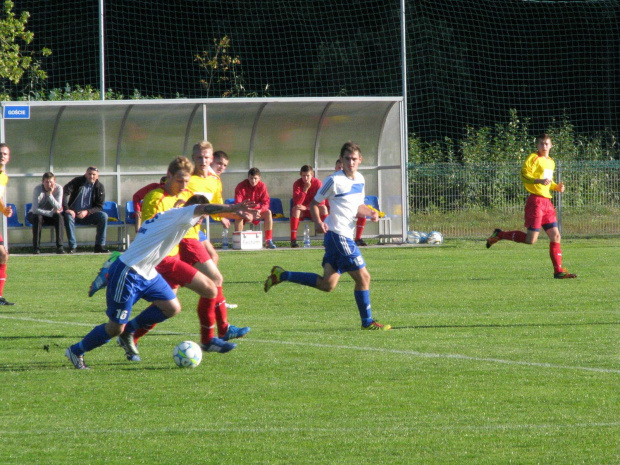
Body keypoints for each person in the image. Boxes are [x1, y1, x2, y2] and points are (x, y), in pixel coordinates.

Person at [66, 191, 257, 369]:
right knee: (115, 327)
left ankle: (130, 330)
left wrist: (235, 214)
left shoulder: (177, 215)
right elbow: (202, 208)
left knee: (172, 307)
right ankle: (76, 351)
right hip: (129, 272)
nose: (201, 222)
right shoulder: (184, 215)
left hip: (148, 273)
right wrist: (231, 208)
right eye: (201, 219)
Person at [123, 155, 248, 358]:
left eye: (187, 180)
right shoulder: (156, 198)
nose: (184, 185)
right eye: (180, 180)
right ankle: (210, 338)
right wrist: (177, 215)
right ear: (169, 176)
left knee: (167, 304)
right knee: (211, 285)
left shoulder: (188, 193)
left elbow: (204, 210)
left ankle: (131, 334)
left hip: (176, 252)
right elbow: (151, 229)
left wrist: (236, 214)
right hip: (161, 259)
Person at [264, 141, 391, 330]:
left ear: (360, 160)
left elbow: (358, 206)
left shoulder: (360, 179)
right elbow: (315, 203)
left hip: (338, 237)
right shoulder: (334, 180)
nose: (350, 162)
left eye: (354, 159)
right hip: (338, 236)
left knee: (327, 284)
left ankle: (283, 275)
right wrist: (317, 221)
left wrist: (370, 212)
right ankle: (367, 322)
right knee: (364, 278)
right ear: (341, 160)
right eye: (347, 159)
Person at [486, 133, 577, 279]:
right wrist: (538, 181)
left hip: (547, 203)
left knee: (556, 236)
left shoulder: (551, 162)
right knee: (531, 240)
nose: (544, 146)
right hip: (536, 203)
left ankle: (558, 271)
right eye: (541, 143)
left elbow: (548, 182)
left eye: (546, 144)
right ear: (537, 145)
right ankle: (499, 234)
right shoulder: (533, 158)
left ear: (551, 145)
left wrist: (556, 187)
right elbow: (524, 174)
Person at [63, 166, 109, 253]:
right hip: (74, 214)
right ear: (85, 174)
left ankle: (99, 246)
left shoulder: (100, 187)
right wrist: (67, 209)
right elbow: (64, 192)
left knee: (103, 216)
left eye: (94, 174)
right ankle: (73, 247)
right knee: (68, 216)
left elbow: (99, 206)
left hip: (89, 215)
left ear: (97, 176)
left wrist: (87, 212)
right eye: (89, 174)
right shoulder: (77, 181)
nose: (91, 176)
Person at [234, 167, 276, 249]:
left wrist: (260, 210)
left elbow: (266, 203)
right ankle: (239, 242)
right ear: (248, 177)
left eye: (255, 178)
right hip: (245, 211)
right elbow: (238, 204)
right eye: (251, 178)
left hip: (256, 211)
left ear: (259, 178)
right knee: (238, 215)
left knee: (268, 212)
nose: (253, 181)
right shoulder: (241, 186)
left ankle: (268, 240)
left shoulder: (262, 186)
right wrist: (247, 211)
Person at [289, 165, 328, 248]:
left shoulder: (317, 183)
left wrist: (307, 208)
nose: (306, 178)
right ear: (300, 175)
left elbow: (322, 202)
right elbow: (297, 202)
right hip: (302, 211)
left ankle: (327, 238)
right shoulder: (297, 183)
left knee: (324, 208)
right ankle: (293, 240)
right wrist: (305, 190)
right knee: (296, 209)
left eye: (308, 176)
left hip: (313, 210)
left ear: (312, 175)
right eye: (304, 176)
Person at [28, 172, 65, 254]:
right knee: (38, 217)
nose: (49, 184)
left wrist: (49, 195)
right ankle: (36, 248)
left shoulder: (59, 188)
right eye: (46, 182)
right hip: (35, 214)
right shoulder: (37, 189)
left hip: (50, 215)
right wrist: (51, 213)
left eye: (51, 182)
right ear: (42, 182)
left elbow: (59, 207)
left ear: (54, 181)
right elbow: (35, 209)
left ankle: (60, 247)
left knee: (59, 217)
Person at [334, 158, 367, 246]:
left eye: (342, 167)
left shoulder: (354, 180)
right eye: (339, 167)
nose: (341, 169)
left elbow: (358, 199)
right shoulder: (332, 180)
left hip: (351, 208)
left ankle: (358, 238)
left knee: (362, 214)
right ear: (335, 168)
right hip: (337, 210)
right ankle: (338, 239)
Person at [0, 143, 14, 305]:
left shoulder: (4, 176)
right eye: (0, 153)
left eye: (5, 154)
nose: (2, 156)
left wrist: (4, 210)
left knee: (3, 255)